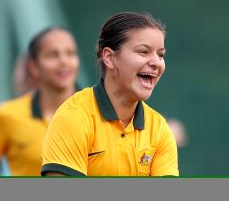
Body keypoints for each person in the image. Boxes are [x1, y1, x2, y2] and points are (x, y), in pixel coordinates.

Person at [41, 12, 179, 177]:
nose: (156, 62)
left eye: (161, 55)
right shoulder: (73, 117)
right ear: (109, 57)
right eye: (143, 52)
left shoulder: (160, 129)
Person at [0, 26, 80, 176]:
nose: (64, 62)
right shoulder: (8, 114)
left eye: (70, 53)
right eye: (52, 55)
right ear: (33, 67)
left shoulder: (98, 112)